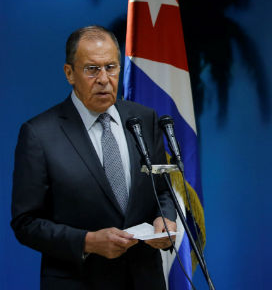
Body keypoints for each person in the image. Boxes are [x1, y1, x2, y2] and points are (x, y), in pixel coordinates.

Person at [11, 26, 178, 289]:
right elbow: (26, 223)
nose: (103, 79)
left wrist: (164, 219)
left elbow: (163, 191)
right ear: (69, 73)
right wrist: (87, 241)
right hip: (79, 281)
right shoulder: (39, 134)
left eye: (111, 67)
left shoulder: (144, 119)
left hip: (145, 280)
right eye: (92, 69)